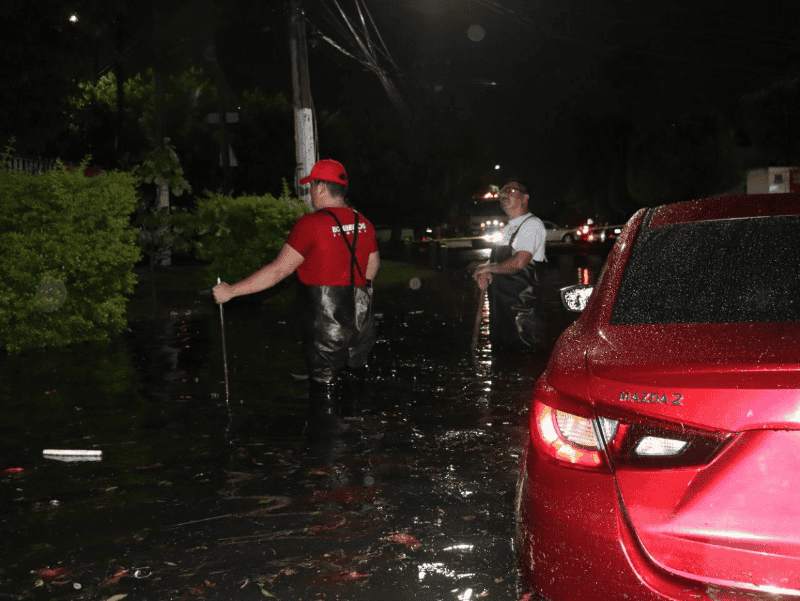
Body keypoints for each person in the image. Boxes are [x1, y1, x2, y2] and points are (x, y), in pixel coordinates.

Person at [213, 159, 380, 436]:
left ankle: (330, 457)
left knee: (325, 402)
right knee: (355, 388)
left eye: (312, 185)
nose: (311, 192)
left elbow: (278, 271)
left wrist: (231, 291)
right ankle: (361, 447)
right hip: (362, 325)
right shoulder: (364, 223)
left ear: (322, 188)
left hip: (327, 330)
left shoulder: (310, 225)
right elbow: (372, 267)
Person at [472, 178, 546, 353]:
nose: (504, 195)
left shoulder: (532, 225)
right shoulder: (506, 229)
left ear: (525, 198)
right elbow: (499, 261)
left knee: (523, 360)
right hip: (500, 315)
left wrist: (489, 268)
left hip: (522, 318)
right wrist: (485, 271)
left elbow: (519, 262)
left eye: (510, 191)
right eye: (502, 192)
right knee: (501, 359)